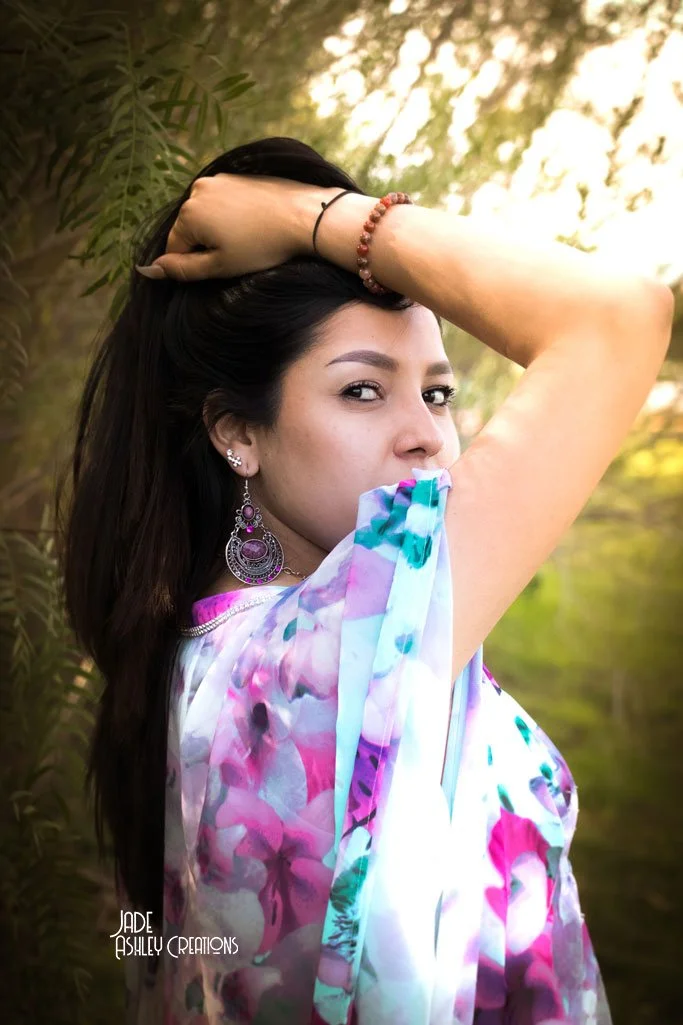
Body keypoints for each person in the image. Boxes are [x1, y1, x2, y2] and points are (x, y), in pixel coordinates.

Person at [58, 136, 673, 1024]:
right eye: (360, 391)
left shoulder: (203, 664)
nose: (425, 435)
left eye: (435, 392)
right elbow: (617, 318)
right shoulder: (309, 654)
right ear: (238, 432)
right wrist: (312, 220)